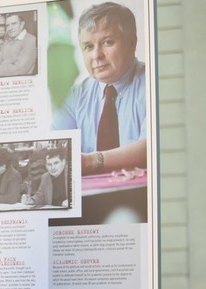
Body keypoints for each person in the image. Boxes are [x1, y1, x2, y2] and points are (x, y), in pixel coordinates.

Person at [52, 2, 146, 175]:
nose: (96, 55)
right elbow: (57, 150)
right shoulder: (72, 97)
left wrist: (91, 161)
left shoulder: (153, 84)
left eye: (107, 42)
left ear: (132, 43)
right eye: (88, 46)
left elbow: (150, 146)